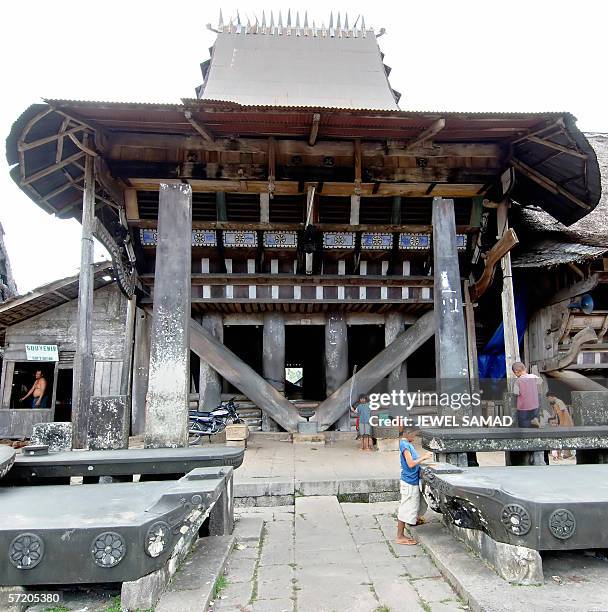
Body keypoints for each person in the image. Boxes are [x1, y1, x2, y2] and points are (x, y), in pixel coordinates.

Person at [396, 427, 433, 545]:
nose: (415, 437)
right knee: (406, 506)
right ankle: (400, 536)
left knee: (417, 503)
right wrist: (424, 457)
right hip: (408, 481)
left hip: (412, 480)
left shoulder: (407, 444)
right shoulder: (405, 446)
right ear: (408, 433)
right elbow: (411, 463)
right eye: (414, 435)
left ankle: (413, 519)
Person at [511, 362, 542, 428]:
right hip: (535, 405)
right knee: (534, 424)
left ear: (516, 372)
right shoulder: (533, 377)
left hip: (523, 407)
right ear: (525, 369)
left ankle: (531, 422)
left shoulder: (517, 381)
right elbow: (540, 381)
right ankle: (535, 421)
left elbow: (516, 393)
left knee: (523, 423)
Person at [547, 392, 574, 460]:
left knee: (563, 438)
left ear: (551, 397)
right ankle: (565, 454)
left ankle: (563, 454)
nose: (548, 401)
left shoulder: (559, 402)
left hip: (565, 423)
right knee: (564, 438)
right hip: (562, 423)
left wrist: (562, 424)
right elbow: (556, 415)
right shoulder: (555, 404)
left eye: (548, 399)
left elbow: (563, 412)